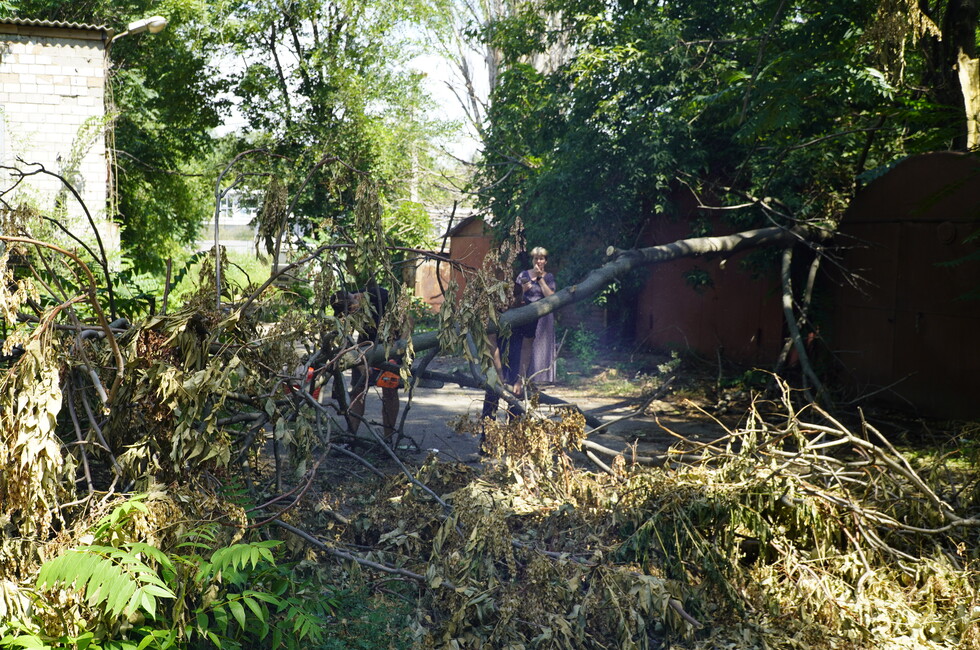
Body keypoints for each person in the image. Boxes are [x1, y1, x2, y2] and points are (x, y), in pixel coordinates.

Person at [329, 284, 400, 442]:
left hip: (391, 344)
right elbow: (344, 341)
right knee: (358, 390)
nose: (349, 313)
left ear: (354, 299)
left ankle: (388, 439)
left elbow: (406, 318)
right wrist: (359, 363)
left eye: (350, 309)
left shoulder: (379, 294)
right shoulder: (347, 311)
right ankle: (351, 435)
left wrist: (399, 347)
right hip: (365, 346)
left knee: (389, 391)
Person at [512, 246, 556, 395]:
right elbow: (513, 298)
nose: (538, 261)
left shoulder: (548, 277)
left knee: (539, 350)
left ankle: (536, 382)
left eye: (541, 258)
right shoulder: (523, 274)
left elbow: (551, 297)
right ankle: (521, 379)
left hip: (543, 318)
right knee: (524, 348)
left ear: (545, 261)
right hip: (525, 316)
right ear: (532, 260)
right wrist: (523, 289)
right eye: (536, 258)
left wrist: (540, 279)